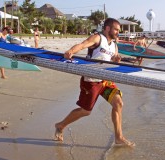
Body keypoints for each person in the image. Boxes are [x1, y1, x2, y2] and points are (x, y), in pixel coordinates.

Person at [54, 18, 135, 147]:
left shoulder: (114, 45)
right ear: (107, 28)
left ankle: (119, 137)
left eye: (119, 30)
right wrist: (70, 51)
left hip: (105, 80)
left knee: (118, 103)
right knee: (86, 111)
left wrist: (117, 60)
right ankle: (61, 125)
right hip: (91, 80)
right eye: (116, 29)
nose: (118, 32)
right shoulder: (97, 38)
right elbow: (82, 45)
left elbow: (112, 62)